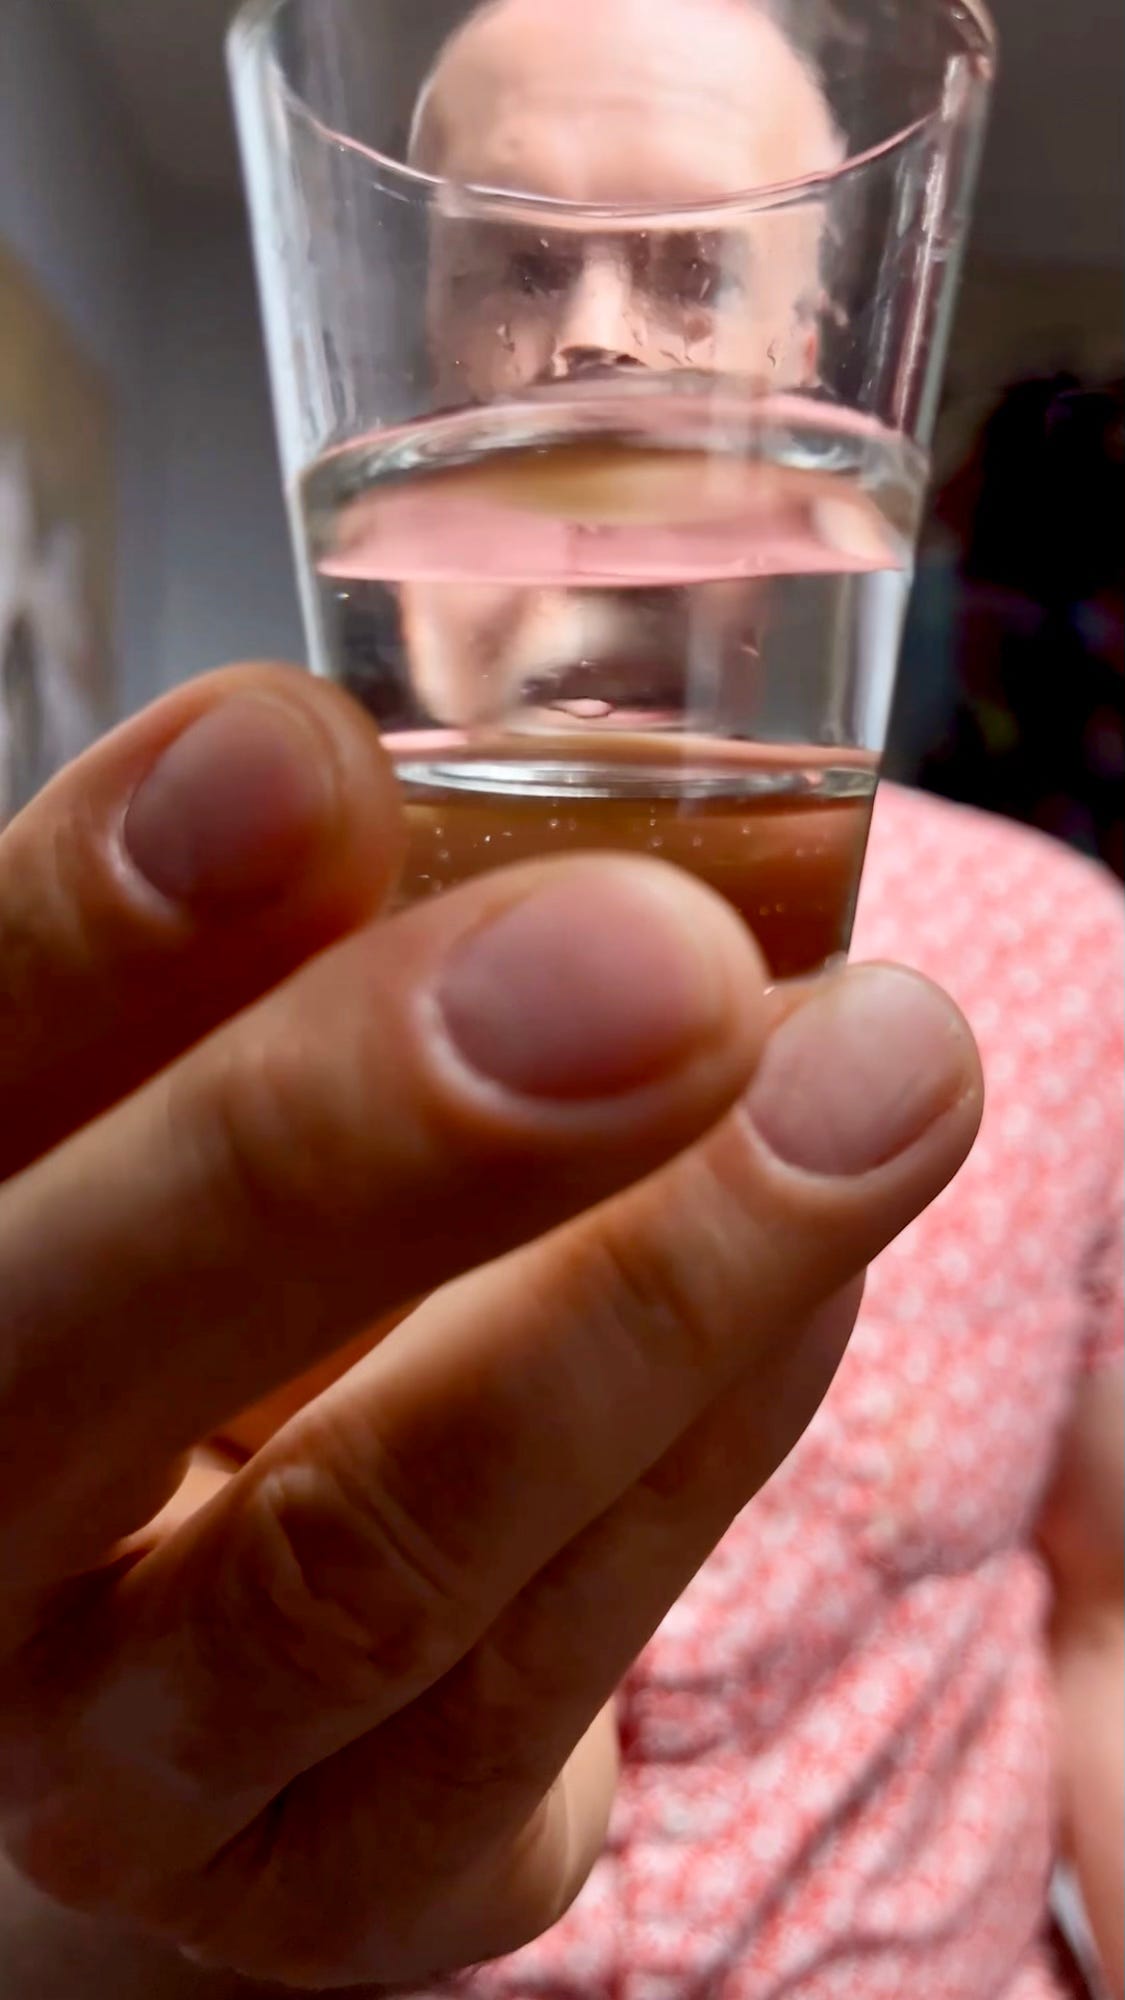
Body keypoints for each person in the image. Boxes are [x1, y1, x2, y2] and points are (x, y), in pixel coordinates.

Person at [0, 10, 1119, 2000]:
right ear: (402, 351)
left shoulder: (1075, 961)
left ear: (828, 345)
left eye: (692, 266)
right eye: (510, 265)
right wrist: (107, 1876)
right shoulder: (192, 1001)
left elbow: (1101, 1622)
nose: (594, 336)